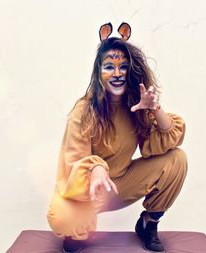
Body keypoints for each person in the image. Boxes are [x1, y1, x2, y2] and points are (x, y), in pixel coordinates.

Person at [46, 22, 187, 253]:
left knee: (177, 159)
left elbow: (161, 143)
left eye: (123, 67)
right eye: (109, 67)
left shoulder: (136, 106)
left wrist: (155, 109)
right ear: (98, 72)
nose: (118, 73)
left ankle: (148, 225)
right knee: (62, 219)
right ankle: (81, 229)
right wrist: (96, 169)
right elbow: (73, 162)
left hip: (121, 184)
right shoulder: (82, 111)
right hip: (85, 189)